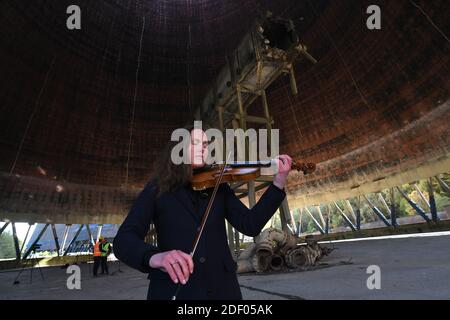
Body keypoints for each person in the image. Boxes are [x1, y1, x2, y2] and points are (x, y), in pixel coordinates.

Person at [113, 127, 292, 300]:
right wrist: (155, 257)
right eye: (195, 143)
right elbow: (123, 240)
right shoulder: (158, 187)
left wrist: (278, 183)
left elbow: (250, 224)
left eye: (205, 144)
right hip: (176, 288)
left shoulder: (218, 185)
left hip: (223, 288)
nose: (203, 148)